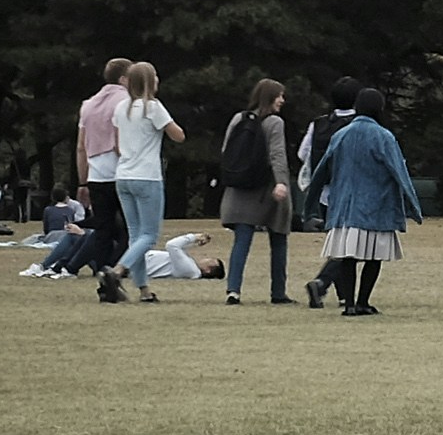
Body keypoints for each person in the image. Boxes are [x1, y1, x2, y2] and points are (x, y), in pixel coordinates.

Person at [306, 88, 422, 316]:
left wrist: (309, 206)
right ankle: (363, 302)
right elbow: (399, 172)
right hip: (376, 206)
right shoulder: (383, 136)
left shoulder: (340, 135)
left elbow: (321, 171)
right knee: (374, 257)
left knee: (347, 257)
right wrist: (414, 207)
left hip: (344, 206)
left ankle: (349, 304)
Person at [100, 62, 183, 305]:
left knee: (136, 236)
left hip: (123, 175)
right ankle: (117, 272)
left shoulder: (121, 108)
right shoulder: (153, 107)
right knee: (149, 235)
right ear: (148, 81)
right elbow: (178, 135)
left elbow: (117, 144)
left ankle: (144, 290)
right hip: (147, 176)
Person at [218, 78, 293, 304]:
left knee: (241, 240)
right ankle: (278, 292)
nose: (282, 100)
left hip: (240, 186)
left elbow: (226, 150)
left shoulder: (238, 118)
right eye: (279, 96)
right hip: (265, 188)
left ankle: (233, 290)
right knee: (278, 238)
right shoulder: (275, 122)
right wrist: (281, 182)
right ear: (270, 97)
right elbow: (277, 154)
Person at [76, 57, 133, 272]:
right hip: (122, 172)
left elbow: (81, 147)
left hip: (97, 175)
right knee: (131, 228)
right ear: (123, 79)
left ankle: (101, 269)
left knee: (103, 229)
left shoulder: (88, 105)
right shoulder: (126, 102)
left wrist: (82, 181)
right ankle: (118, 267)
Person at [296, 77, 360, 234]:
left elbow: (302, 153)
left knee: (331, 235)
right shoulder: (361, 124)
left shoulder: (318, 123)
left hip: (323, 190)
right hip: (354, 189)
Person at [141, 232, 225, 283]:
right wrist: (195, 242)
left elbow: (171, 245)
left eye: (210, 260)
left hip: (142, 263)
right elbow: (180, 251)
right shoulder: (192, 269)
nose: (206, 258)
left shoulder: (190, 269)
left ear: (208, 270)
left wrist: (194, 237)